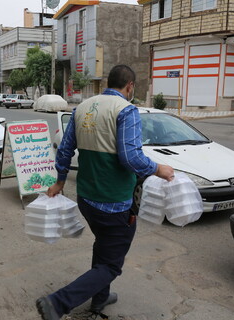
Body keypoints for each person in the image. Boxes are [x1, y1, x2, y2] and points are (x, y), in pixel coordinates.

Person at [36, 65, 174, 320]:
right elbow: (131, 157)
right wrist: (158, 169)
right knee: (111, 264)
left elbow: (65, 150)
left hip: (87, 198)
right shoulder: (127, 110)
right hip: (114, 202)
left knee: (104, 247)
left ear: (108, 82)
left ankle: (100, 298)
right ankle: (57, 303)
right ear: (130, 86)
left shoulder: (82, 108)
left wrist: (60, 182)